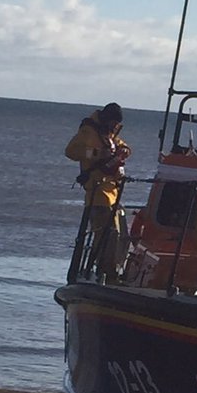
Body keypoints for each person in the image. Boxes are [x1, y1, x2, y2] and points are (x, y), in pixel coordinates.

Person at [65, 101, 132, 280]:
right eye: (114, 123)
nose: (115, 127)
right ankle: (107, 273)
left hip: (112, 192)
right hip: (98, 191)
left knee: (118, 234)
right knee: (107, 234)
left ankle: (111, 271)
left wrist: (124, 150)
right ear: (107, 119)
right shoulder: (88, 131)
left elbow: (118, 143)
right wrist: (95, 154)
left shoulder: (108, 134)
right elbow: (71, 151)